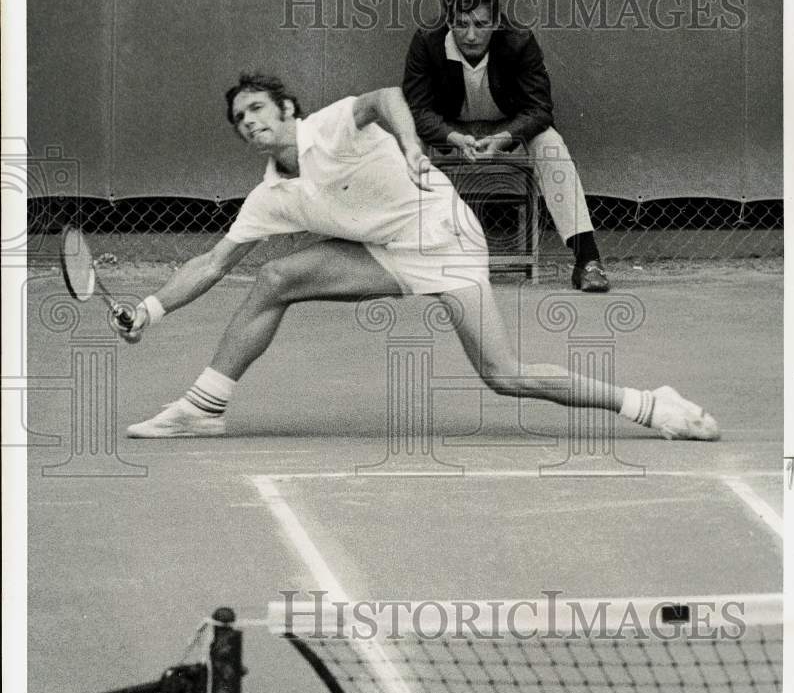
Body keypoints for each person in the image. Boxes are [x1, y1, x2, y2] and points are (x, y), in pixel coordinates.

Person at [120, 72, 717, 442]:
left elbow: (384, 96)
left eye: (257, 109)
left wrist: (410, 145)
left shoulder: (328, 128)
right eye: (238, 119)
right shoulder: (271, 196)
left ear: (288, 111)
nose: (248, 122)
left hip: (445, 241)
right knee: (275, 276)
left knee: (503, 377)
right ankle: (204, 407)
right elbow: (214, 262)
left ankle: (651, 405)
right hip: (388, 253)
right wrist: (148, 310)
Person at [403, 0, 609, 292]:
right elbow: (416, 110)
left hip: (504, 131)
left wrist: (503, 138)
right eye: (461, 24)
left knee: (550, 144)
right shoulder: (426, 42)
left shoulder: (519, 41)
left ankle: (588, 260)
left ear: (496, 22)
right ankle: (404, 262)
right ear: (448, 22)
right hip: (450, 134)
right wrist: (450, 136)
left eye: (481, 24)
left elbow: (540, 109)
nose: (471, 35)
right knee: (407, 145)